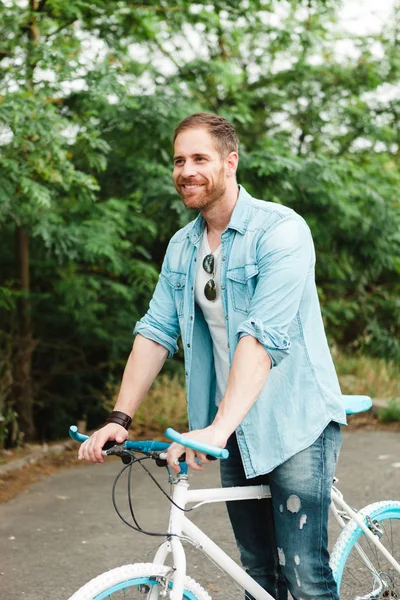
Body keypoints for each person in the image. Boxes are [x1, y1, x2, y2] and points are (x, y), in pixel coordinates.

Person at [79, 112, 346, 599]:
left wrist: (215, 430)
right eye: (179, 160)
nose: (186, 170)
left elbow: (261, 337)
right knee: (256, 573)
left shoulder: (280, 231)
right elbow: (155, 331)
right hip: (231, 429)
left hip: (295, 422)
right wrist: (120, 416)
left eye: (199, 158)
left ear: (230, 162)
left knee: (303, 573)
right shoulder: (182, 247)